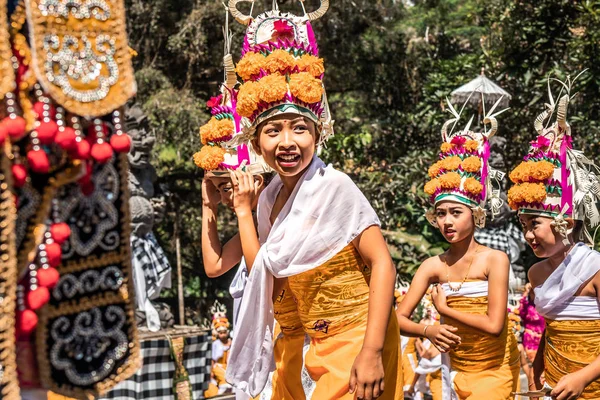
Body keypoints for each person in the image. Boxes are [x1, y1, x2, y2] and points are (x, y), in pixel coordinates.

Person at [225, 2, 402, 399]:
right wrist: (242, 211)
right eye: (273, 131)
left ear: (317, 135)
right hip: (307, 343)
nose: (287, 142)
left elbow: (382, 264)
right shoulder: (269, 199)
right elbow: (266, 276)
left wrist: (371, 351)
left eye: (300, 129)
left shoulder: (335, 187)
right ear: (256, 143)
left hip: (360, 338)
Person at [196, 19, 310, 399]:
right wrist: (206, 206)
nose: (229, 195)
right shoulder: (250, 223)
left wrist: (244, 210)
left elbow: (264, 274)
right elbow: (213, 267)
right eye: (223, 188)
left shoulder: (283, 216)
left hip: (288, 344)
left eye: (232, 186)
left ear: (257, 181)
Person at [396, 101, 519, 400]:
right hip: (454, 369)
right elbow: (397, 318)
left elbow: (493, 325)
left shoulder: (495, 260)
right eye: (441, 213)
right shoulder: (432, 266)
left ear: (475, 215)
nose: (447, 221)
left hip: (495, 370)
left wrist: (444, 310)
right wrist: (428, 332)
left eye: (455, 212)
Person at [508, 76, 600, 399]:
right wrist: (534, 372)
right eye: (523, 225)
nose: (528, 235)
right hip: (554, 389)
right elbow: (551, 329)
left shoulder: (595, 269)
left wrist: (583, 378)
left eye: (535, 223)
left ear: (566, 221)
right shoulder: (535, 274)